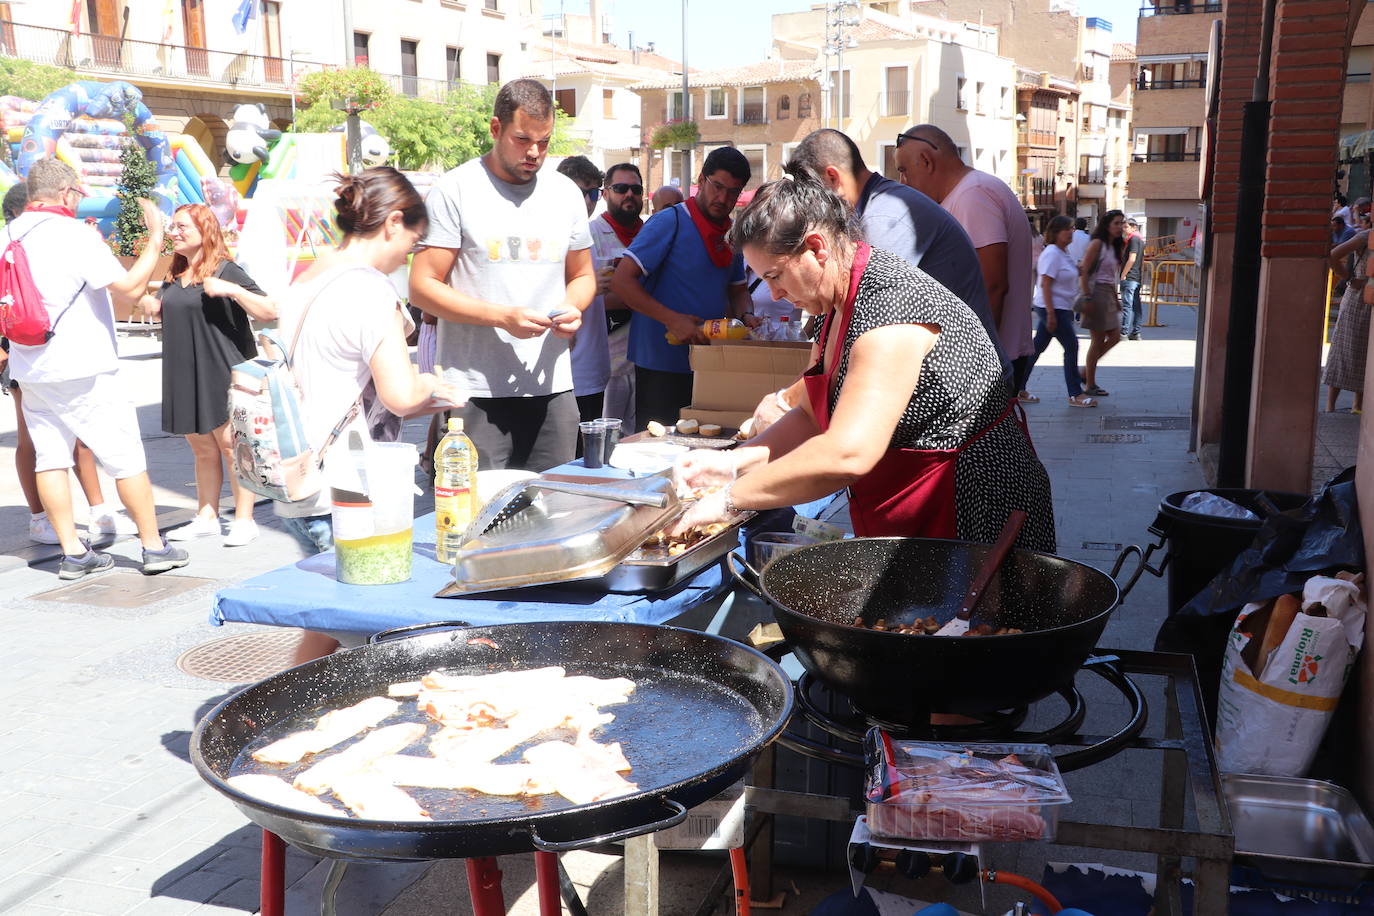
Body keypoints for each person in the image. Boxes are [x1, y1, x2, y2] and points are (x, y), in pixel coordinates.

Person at [670, 166, 1055, 553]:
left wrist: (730, 498)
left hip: (974, 506)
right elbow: (808, 413)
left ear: (817, 248)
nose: (776, 293)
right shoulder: (833, 303)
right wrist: (734, 463)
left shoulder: (891, 306)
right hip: (911, 505)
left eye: (775, 276)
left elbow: (847, 453)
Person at [276, 167, 461, 662]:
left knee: (339, 619)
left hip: (299, 473)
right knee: (363, 617)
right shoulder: (368, 288)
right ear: (393, 222)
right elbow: (400, 395)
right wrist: (434, 386)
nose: (407, 258)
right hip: (348, 483)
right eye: (412, 244)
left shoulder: (311, 275)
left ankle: (289, 708)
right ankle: (289, 714)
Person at [3, 158, 188, 577]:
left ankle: (73, 552)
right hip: (86, 364)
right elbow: (130, 288)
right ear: (67, 193)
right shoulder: (73, 235)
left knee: (49, 457)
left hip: (30, 365)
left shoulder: (6, 235)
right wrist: (155, 240)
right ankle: (153, 547)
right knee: (124, 456)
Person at [409, 79, 594, 471]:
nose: (534, 153)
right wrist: (502, 317)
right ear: (496, 128)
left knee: (553, 510)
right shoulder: (455, 190)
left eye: (544, 142)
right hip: (473, 391)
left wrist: (573, 307)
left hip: (553, 388)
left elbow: (583, 276)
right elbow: (423, 287)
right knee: (477, 521)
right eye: (522, 139)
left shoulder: (565, 193)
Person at [1, 182, 135, 545]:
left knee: (62, 443)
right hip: (28, 350)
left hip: (32, 349)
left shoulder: (24, 240)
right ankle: (44, 516)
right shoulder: (30, 239)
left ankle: (89, 512)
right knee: (41, 442)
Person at [138, 204, 276, 546]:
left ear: (205, 230)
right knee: (201, 448)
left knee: (233, 447)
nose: (175, 232)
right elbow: (165, 307)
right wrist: (151, 305)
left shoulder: (226, 270)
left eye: (182, 226)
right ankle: (207, 516)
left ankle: (245, 519)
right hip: (184, 370)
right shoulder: (175, 274)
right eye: (173, 226)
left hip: (224, 370)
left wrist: (233, 291)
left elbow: (270, 311)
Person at [612, 146, 755, 429]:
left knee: (704, 448)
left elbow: (738, 291)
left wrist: (747, 316)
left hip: (709, 364)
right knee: (657, 451)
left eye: (733, 192)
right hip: (660, 364)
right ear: (701, 181)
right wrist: (672, 319)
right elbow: (621, 282)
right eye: (717, 187)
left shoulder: (730, 233)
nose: (723, 198)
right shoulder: (670, 221)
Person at [894, 125, 1037, 404]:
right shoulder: (970, 192)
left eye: (904, 170)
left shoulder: (973, 195)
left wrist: (976, 359)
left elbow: (993, 284)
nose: (902, 182)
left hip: (987, 359)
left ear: (926, 161)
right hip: (992, 355)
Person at [556, 155, 613, 429]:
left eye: (595, 193)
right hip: (569, 371)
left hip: (592, 366)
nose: (590, 201)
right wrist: (588, 286)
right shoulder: (553, 234)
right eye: (583, 192)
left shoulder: (586, 236)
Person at [589, 162, 647, 430]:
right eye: (621, 188)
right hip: (607, 365)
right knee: (605, 444)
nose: (629, 195)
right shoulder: (590, 235)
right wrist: (643, 298)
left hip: (645, 362)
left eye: (636, 189)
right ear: (605, 194)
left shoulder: (652, 233)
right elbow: (585, 298)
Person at [1025, 216, 1096, 408]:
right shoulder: (1052, 253)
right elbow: (1045, 283)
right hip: (1053, 307)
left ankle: (1017, 387)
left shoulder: (1063, 252)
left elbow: (1071, 272)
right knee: (1071, 346)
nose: (1072, 232)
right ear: (1057, 232)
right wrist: (1049, 313)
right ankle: (1075, 394)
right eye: (1068, 229)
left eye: (1073, 228)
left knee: (1037, 348)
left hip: (1062, 307)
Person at [1076, 210, 1125, 397]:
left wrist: (1115, 298)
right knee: (1097, 340)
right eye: (1116, 223)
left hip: (1107, 294)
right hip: (1095, 293)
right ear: (1107, 225)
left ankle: (1086, 374)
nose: (1120, 227)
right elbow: (1085, 271)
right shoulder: (1097, 244)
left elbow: (1111, 277)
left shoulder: (1114, 247)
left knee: (1114, 337)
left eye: (1122, 223)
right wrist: (1088, 297)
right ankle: (1089, 383)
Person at [1324, 225, 1372, 413]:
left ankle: (1357, 404)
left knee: (1364, 353)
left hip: (1368, 298)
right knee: (1344, 348)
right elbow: (1333, 255)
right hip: (1356, 298)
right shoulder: (1365, 236)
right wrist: (1348, 277)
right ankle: (1330, 405)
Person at [1119, 217, 1146, 340]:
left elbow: (1132, 258)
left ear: (1134, 227)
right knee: (1136, 305)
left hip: (1130, 277)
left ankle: (1124, 332)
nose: (1124, 229)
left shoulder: (1134, 240)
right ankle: (1136, 332)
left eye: (1126, 227)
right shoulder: (1140, 240)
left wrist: (1123, 274)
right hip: (1136, 276)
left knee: (1127, 305)